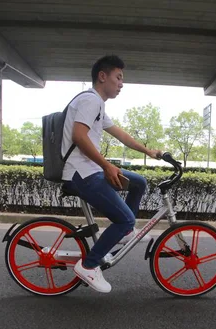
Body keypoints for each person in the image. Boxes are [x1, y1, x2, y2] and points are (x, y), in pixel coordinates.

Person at [61, 55, 162, 294]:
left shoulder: (98, 104)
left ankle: (126, 233)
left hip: (88, 169)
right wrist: (107, 165)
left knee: (138, 182)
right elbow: (79, 136)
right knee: (125, 218)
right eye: (118, 77)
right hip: (80, 173)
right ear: (102, 76)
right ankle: (89, 265)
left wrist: (147, 150)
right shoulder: (90, 100)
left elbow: (120, 134)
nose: (121, 84)